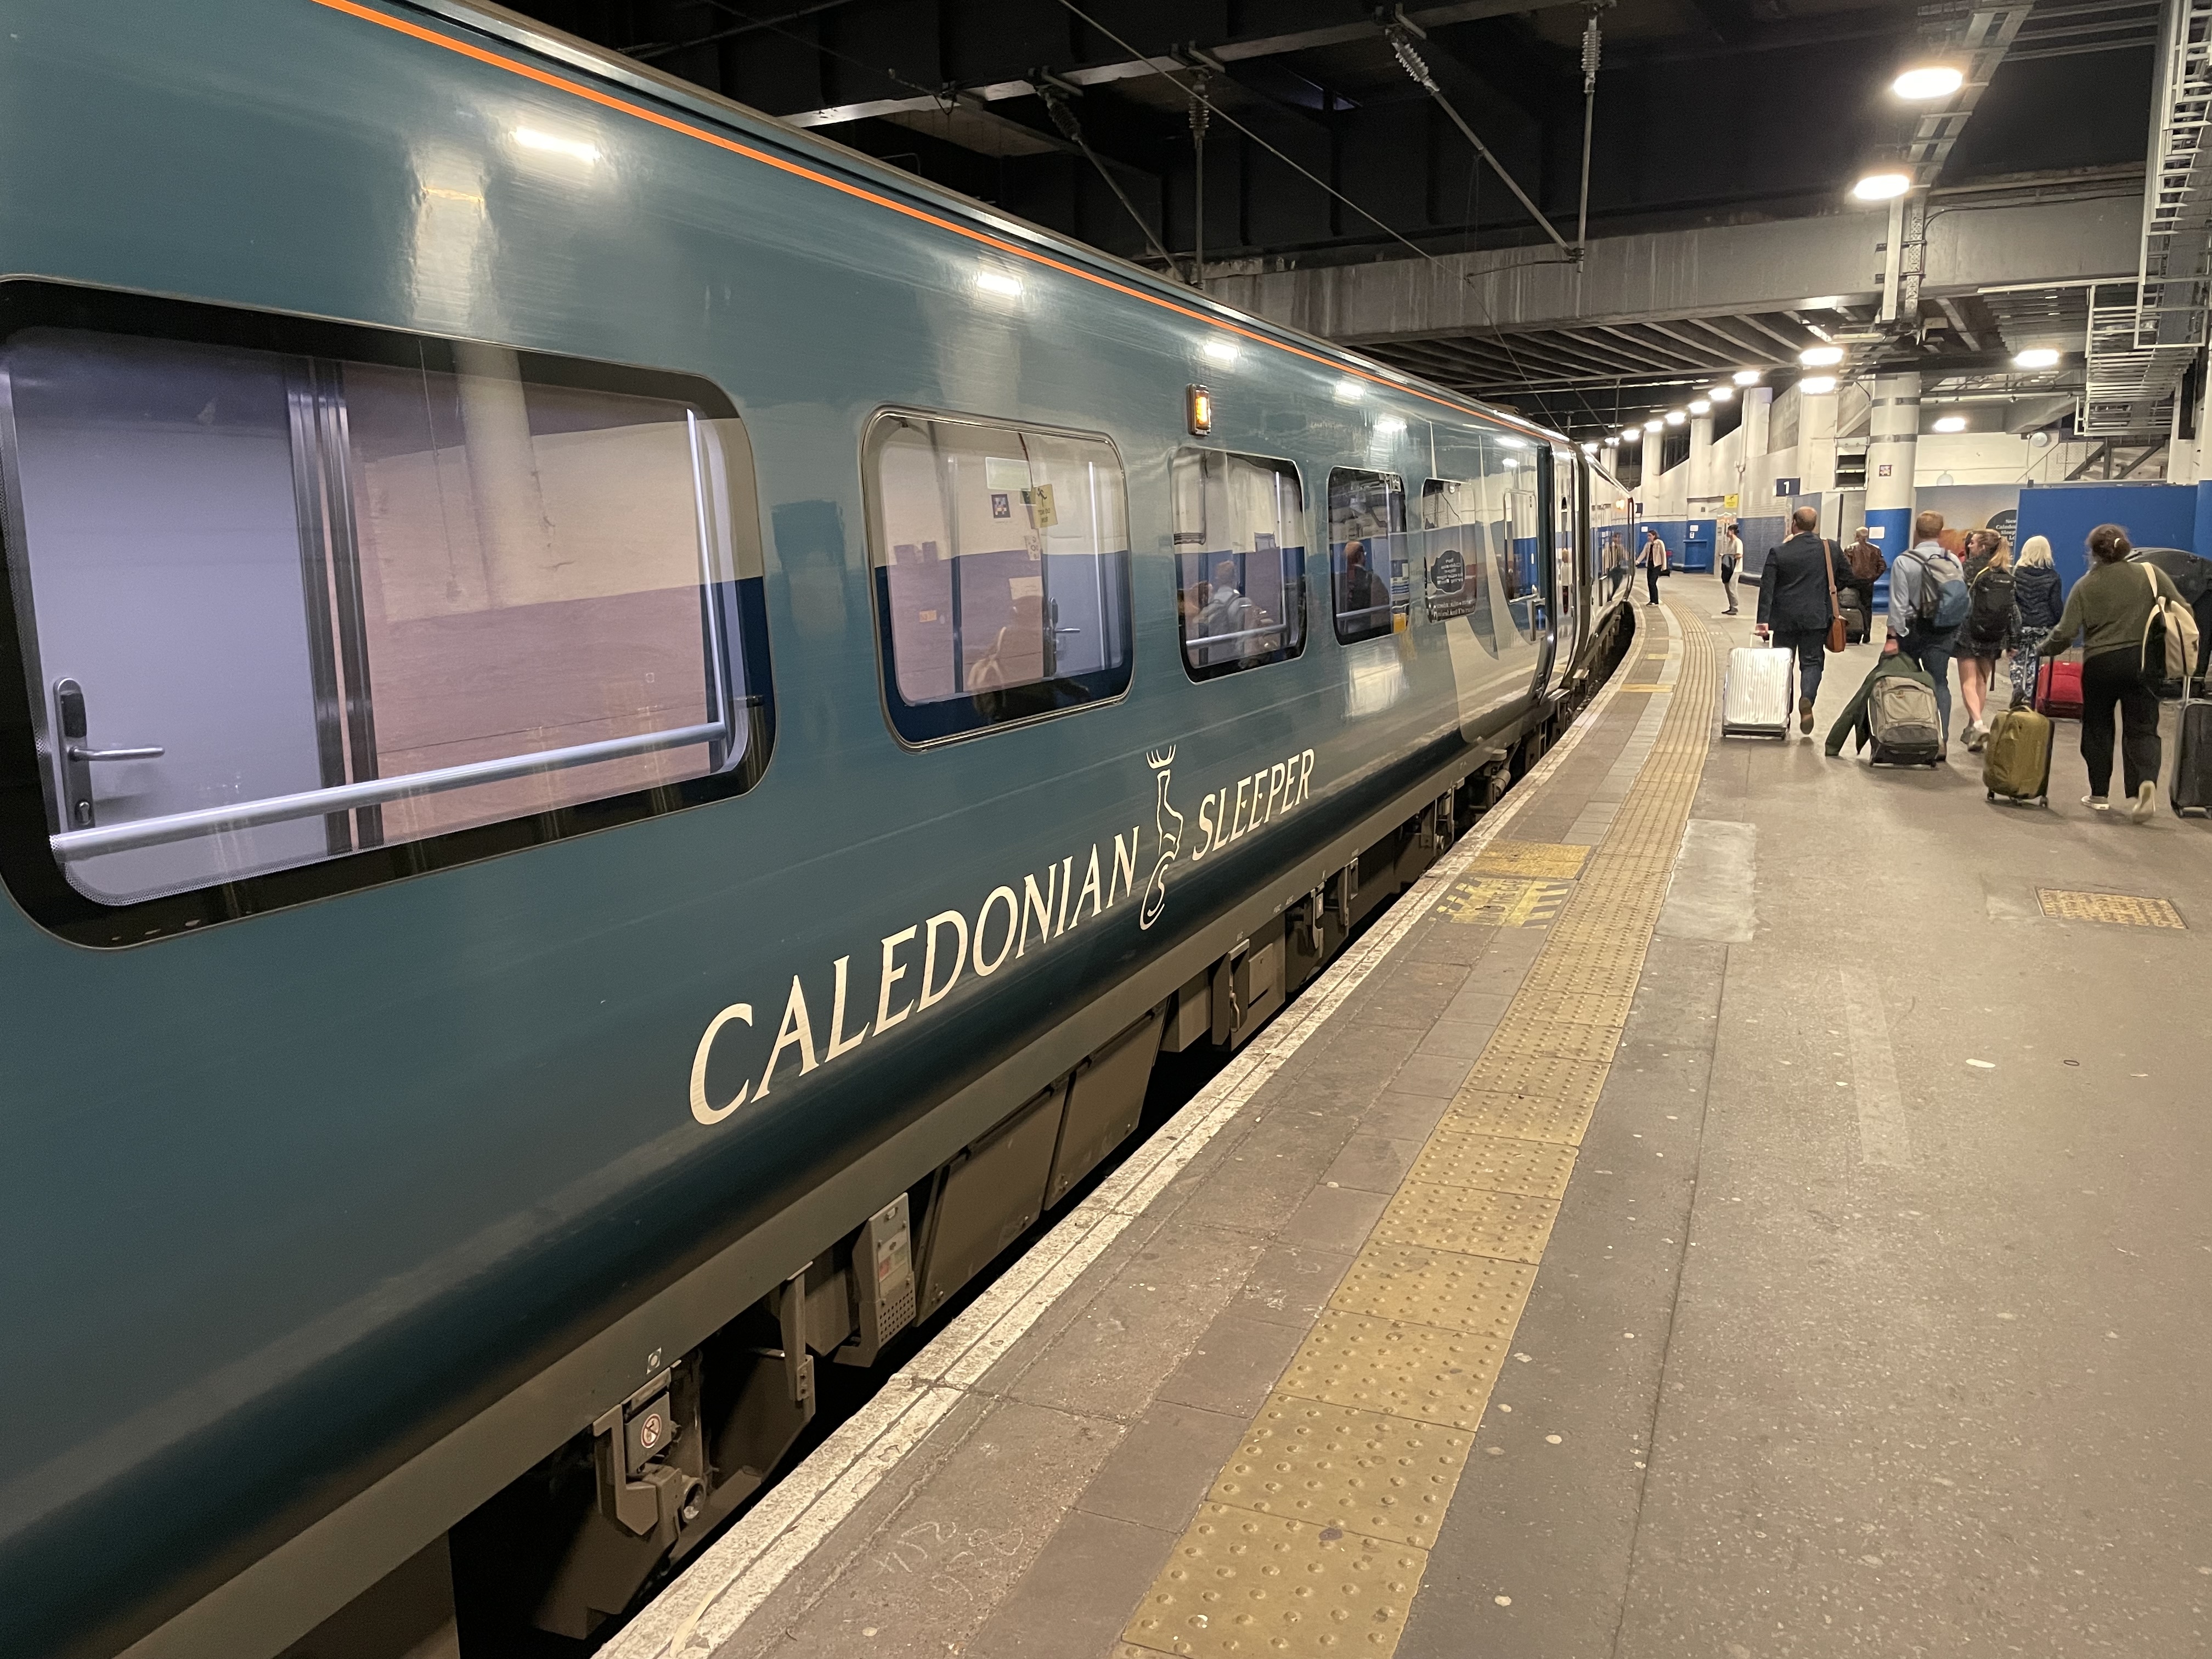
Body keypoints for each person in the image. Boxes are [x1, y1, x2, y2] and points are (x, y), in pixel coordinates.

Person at [2036, 523, 2186, 820]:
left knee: (2098, 728)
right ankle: (2145, 784)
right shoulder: (2151, 574)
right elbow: (2183, 610)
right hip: (2143, 662)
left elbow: (2065, 633)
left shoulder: (2085, 585)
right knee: (2143, 728)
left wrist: (2044, 649)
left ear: (2092, 553)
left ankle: (2099, 794)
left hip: (2100, 666)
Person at [1754, 505, 1853, 733]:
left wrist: (1763, 622)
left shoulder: (1779, 551)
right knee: (1812, 663)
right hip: (1817, 617)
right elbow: (1849, 576)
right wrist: (1828, 593)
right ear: (1814, 526)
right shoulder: (1830, 549)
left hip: (1784, 619)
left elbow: (1766, 588)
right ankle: (1807, 699)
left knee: (1783, 666)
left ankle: (1783, 713)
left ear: (1794, 524)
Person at [1886, 510, 1966, 755]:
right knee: (1939, 682)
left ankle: (1909, 733)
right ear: (1941, 533)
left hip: (1911, 631)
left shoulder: (1904, 561)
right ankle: (1941, 739)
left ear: (1916, 532)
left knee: (1908, 681)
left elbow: (1898, 604)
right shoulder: (1952, 559)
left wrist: (1893, 636)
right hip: (1942, 630)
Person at [1823, 637, 1939, 757]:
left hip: (1891, 738)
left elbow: (1852, 711)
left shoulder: (1878, 677)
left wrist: (1832, 747)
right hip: (1921, 739)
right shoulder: (1925, 680)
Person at [1955, 529, 2014, 752]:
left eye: (1973, 543)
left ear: (1981, 547)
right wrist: (2012, 640)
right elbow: (2012, 609)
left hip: (1968, 631)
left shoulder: (1968, 568)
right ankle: (1973, 728)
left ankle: (1978, 724)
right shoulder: (2005, 571)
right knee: (1981, 681)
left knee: (1968, 681)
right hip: (1994, 635)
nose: (1969, 545)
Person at [2007, 534, 2063, 707]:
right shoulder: (2053, 577)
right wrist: (2058, 622)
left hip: (2020, 625)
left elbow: (2011, 601)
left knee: (2016, 659)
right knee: (2034, 660)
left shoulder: (2016, 574)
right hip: (2041, 626)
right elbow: (2055, 604)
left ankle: (2017, 686)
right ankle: (2030, 696)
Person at [1840, 524, 1886, 630]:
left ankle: (1855, 629)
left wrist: (1848, 579)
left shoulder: (1850, 548)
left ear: (1856, 536)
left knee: (1853, 605)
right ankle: (1867, 632)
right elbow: (1883, 566)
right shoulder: (1875, 550)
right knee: (1867, 607)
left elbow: (1845, 566)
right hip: (1868, 583)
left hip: (1853, 583)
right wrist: (1874, 577)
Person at [1718, 521, 1743, 615]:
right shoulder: (1729, 543)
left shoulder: (1738, 542)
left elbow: (1740, 555)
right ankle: (1731, 606)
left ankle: (1735, 608)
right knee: (1728, 588)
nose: (1727, 533)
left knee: (1732, 588)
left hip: (1735, 569)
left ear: (1731, 531)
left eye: (1728, 531)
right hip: (1728, 569)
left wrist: (1730, 558)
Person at [1638, 528, 1669, 604]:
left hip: (1657, 566)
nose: (1648, 537)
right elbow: (1643, 553)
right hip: (1650, 566)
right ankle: (1652, 600)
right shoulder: (1648, 544)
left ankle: (1655, 601)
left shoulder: (1660, 543)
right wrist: (1638, 561)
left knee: (1652, 582)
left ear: (1654, 536)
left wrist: (1664, 567)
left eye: (1650, 536)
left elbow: (1663, 554)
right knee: (1649, 583)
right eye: (1648, 536)